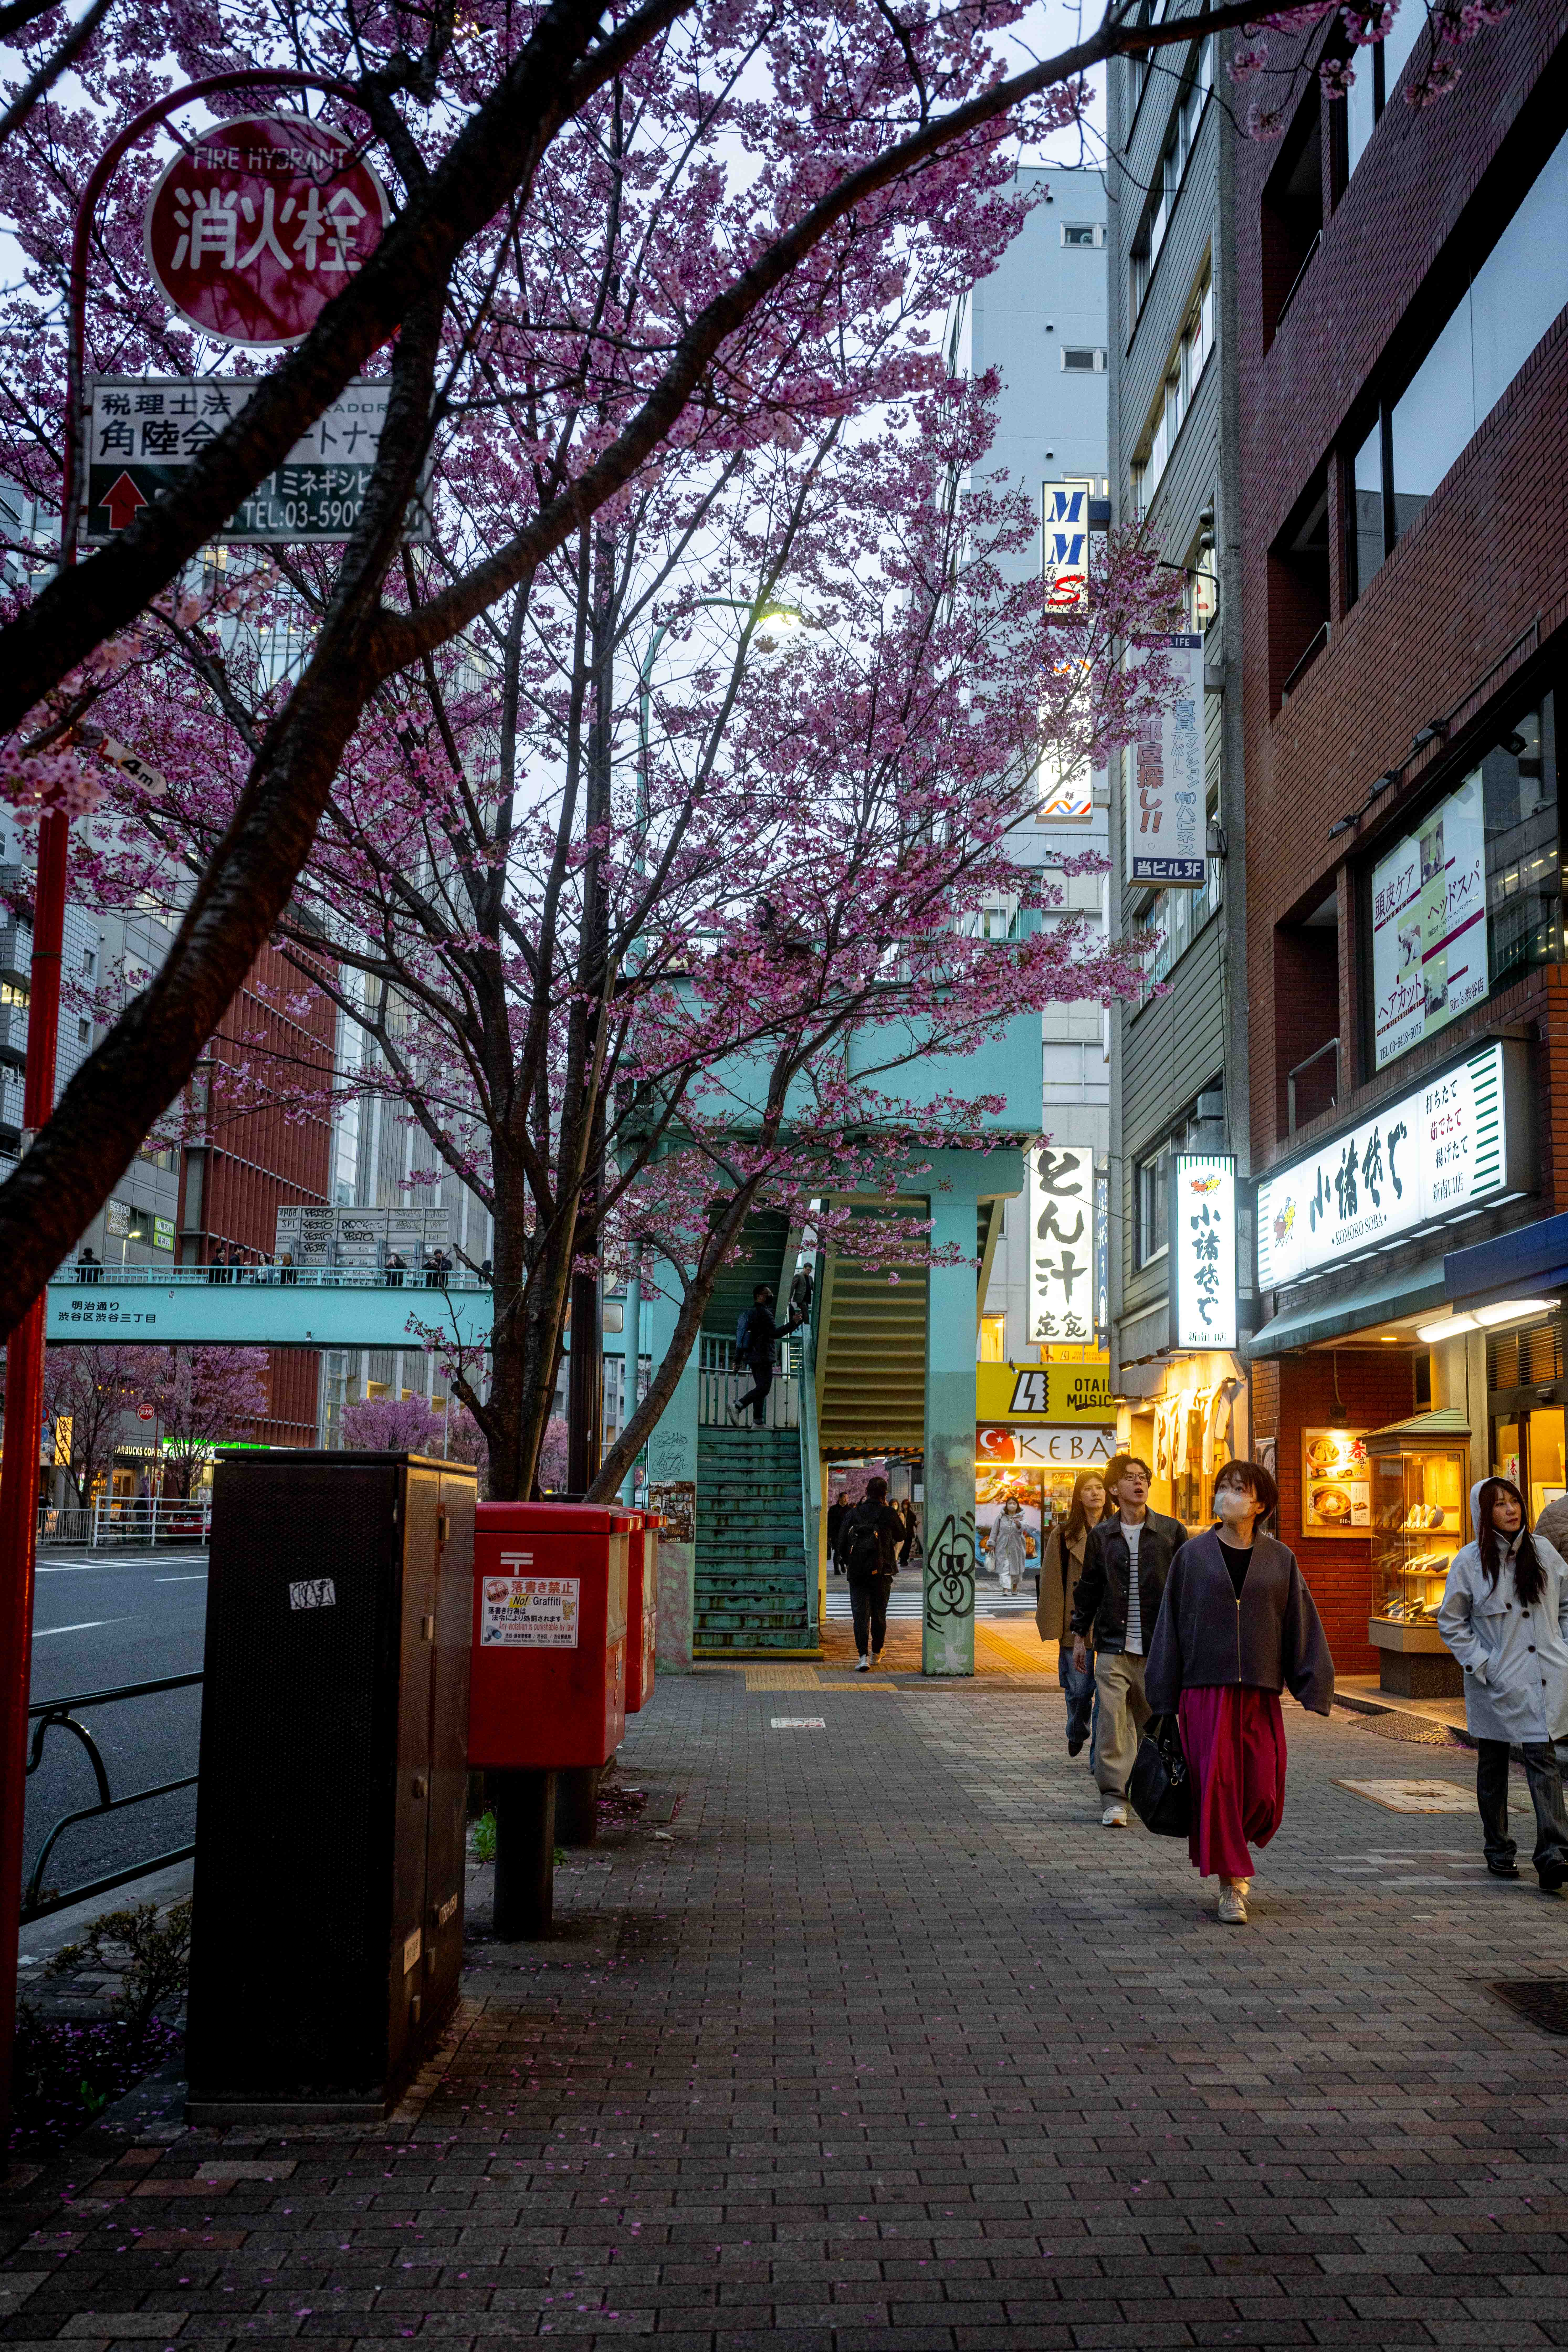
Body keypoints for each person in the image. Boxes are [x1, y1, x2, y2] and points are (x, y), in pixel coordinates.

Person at [1146, 1459, 1334, 1925]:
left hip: (1259, 1690)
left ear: (1260, 1503)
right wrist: (1162, 1694)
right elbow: (1170, 1624)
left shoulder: (1279, 1558)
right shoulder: (1191, 1556)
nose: (1227, 1494)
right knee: (1220, 1786)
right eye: (1223, 1486)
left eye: (1238, 1488)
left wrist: (1313, 1683)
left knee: (1261, 1790)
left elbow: (1299, 1621)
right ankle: (1231, 1884)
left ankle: (1235, 1856)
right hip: (1204, 1692)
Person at [1436, 1476, 1568, 1891]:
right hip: (1494, 1682)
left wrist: (1564, 1649)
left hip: (1543, 1677)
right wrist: (1483, 1663)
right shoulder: (1470, 1561)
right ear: (1483, 1512)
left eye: (1515, 1501)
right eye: (1500, 1504)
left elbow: (1565, 1605)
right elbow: (1452, 1621)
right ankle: (1498, 1847)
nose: (1511, 1510)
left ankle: (1554, 1854)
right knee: (1492, 1765)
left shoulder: (1543, 1552)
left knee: (1542, 1761)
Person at [1070, 1454, 1188, 1829]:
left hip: (1158, 1649)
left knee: (1146, 1726)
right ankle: (1114, 1798)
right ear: (1114, 1489)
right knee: (1111, 1722)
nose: (1139, 1483)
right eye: (1130, 1478)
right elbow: (1089, 1587)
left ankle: (1143, 1791)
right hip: (1112, 1646)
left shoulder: (1171, 1531)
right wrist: (1078, 1637)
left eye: (1143, 1477)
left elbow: (1185, 1592)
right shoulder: (1102, 1535)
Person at [1038, 1468, 1108, 1759]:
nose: (1096, 1493)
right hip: (1075, 1622)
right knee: (1080, 1690)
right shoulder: (1064, 1534)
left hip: (1108, 1624)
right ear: (1079, 1496)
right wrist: (1054, 1625)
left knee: (1107, 1696)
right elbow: (1052, 1580)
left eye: (1100, 1487)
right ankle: (1077, 1730)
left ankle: (1098, 1757)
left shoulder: (1118, 1530)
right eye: (1089, 1488)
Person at [839, 1472, 903, 1672]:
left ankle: (862, 1657)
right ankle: (876, 1653)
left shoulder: (854, 1513)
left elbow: (841, 1541)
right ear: (884, 1494)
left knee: (860, 1615)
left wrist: (850, 1561)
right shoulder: (888, 1513)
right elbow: (902, 1535)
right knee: (878, 1614)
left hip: (858, 1572)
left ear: (867, 1492)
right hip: (882, 1571)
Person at [731, 1282, 801, 1427]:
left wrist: (737, 1360)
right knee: (764, 1389)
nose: (771, 1296)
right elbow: (775, 1334)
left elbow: (740, 1338)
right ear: (759, 1296)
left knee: (761, 1389)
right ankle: (738, 1406)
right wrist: (793, 1323)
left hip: (753, 1358)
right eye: (768, 1293)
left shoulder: (748, 1314)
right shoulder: (765, 1313)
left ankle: (758, 1422)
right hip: (764, 1357)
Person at [826, 1488, 851, 1575]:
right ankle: (837, 1570)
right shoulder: (833, 1509)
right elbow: (829, 1523)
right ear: (840, 1498)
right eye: (844, 1498)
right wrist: (829, 1536)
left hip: (847, 1535)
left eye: (847, 1498)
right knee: (838, 1551)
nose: (846, 1500)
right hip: (836, 1534)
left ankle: (843, 1563)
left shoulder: (850, 1510)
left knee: (847, 1552)